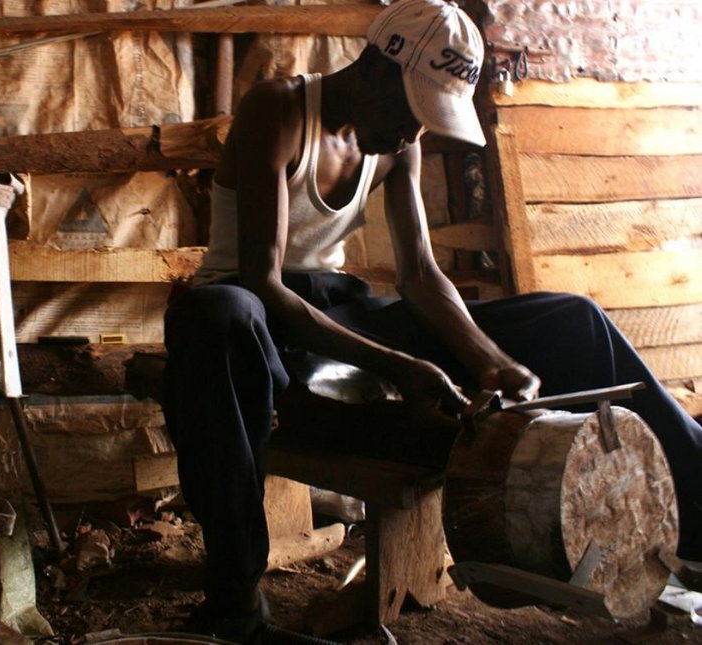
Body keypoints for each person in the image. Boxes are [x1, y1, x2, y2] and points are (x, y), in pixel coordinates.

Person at [162, 0, 702, 641]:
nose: (412, 136)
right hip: (260, 319)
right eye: (410, 113)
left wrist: (488, 360)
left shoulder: (395, 142)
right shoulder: (277, 110)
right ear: (372, 68)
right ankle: (235, 607)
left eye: (427, 120)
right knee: (217, 312)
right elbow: (265, 282)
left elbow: (419, 274)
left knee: (572, 320)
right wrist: (403, 367)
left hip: (341, 307)